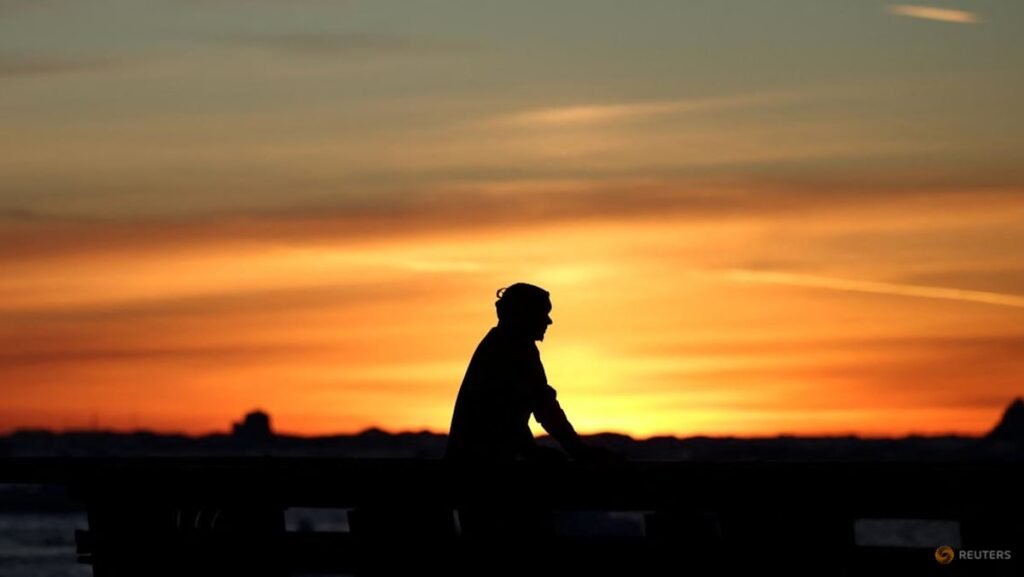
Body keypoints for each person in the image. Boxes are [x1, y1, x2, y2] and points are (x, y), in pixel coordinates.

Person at [445, 283, 598, 463]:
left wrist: (532, 450)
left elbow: (509, 414)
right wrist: (579, 451)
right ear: (526, 315)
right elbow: (541, 406)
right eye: (543, 313)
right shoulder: (513, 348)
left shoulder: (502, 343)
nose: (549, 321)